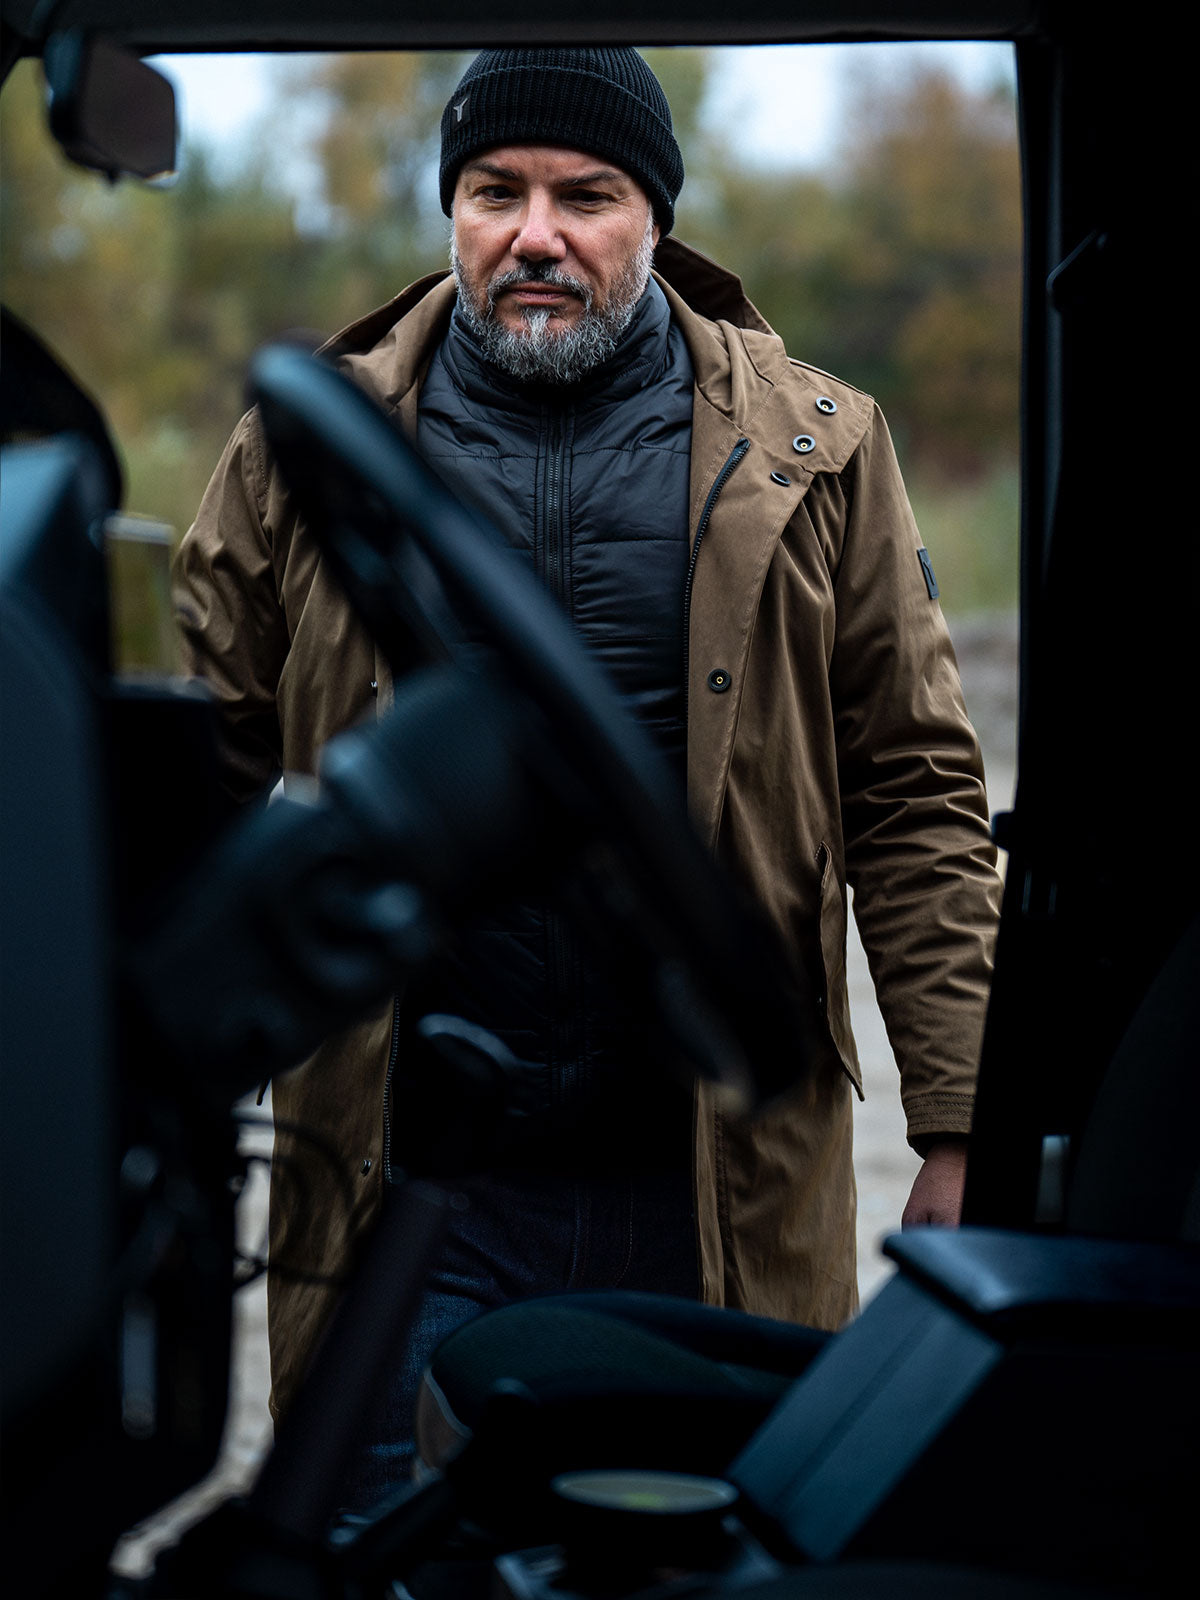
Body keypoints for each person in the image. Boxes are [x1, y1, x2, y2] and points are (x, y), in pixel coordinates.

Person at [175, 46, 1002, 1507]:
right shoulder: (313, 445)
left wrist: (960, 1118)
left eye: (587, 195)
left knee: (712, 1550)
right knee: (379, 1542)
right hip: (406, 1180)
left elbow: (914, 792)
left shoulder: (818, 448)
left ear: (655, 222)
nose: (535, 232)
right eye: (496, 191)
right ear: (454, 212)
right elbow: (193, 767)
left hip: (708, 1179)